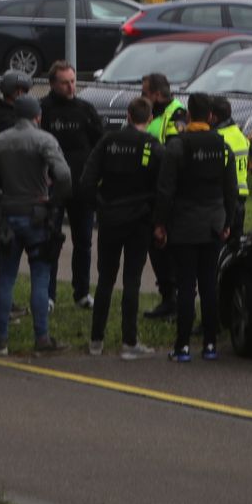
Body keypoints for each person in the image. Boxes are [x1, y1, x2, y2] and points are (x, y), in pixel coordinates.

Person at [0, 95, 72, 356]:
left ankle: (1, 339)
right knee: (40, 276)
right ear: (37, 116)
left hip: (8, 214)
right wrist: (54, 200)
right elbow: (64, 175)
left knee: (6, 277)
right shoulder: (44, 140)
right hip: (37, 214)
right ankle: (42, 337)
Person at [154, 95, 238, 363]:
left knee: (187, 286)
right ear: (211, 116)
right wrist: (227, 223)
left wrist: (160, 224)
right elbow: (231, 191)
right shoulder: (223, 147)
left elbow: (165, 190)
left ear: (189, 114)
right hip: (213, 223)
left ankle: (183, 347)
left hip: (184, 224)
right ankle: (211, 344)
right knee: (209, 286)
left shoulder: (177, 147)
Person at [79, 96, 161, 359]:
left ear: (127, 115)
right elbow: (162, 188)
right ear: (149, 119)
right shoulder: (153, 145)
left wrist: (98, 206)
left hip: (110, 218)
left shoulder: (109, 141)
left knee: (105, 279)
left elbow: (88, 178)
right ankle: (129, 342)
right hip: (139, 220)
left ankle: (96, 341)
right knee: (132, 281)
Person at [40, 60, 105, 311]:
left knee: (84, 242)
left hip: (82, 188)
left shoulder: (86, 110)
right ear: (53, 83)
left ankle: (81, 292)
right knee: (50, 242)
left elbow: (99, 146)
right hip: (52, 189)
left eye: (73, 81)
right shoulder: (43, 109)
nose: (71, 87)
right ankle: (48, 295)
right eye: (65, 82)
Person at [0, 70, 32, 323]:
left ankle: (1, 303)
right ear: (17, 93)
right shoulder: (7, 121)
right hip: (7, 191)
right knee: (4, 249)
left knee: (3, 247)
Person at [140, 73, 188, 321]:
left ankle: (177, 302)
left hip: (169, 191)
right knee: (156, 249)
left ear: (157, 95)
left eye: (145, 93)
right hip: (153, 190)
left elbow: (173, 151)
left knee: (169, 248)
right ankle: (167, 298)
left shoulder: (176, 114)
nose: (142, 97)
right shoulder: (155, 113)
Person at [211, 95, 250, 249]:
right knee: (235, 245)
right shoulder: (239, 134)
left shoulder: (219, 138)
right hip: (241, 196)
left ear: (213, 117)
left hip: (226, 196)